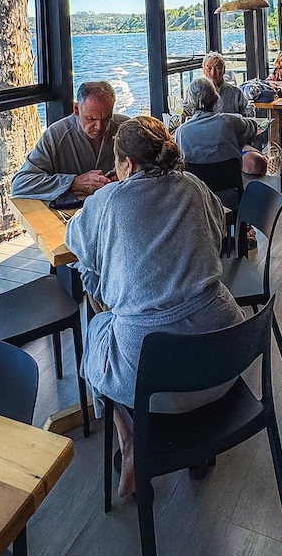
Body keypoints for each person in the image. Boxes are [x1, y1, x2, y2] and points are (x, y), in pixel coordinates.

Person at [65, 116, 244, 497]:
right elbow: (215, 236)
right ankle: (196, 445)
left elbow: (75, 239)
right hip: (226, 354)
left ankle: (129, 439)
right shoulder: (195, 187)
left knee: (97, 325)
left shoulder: (109, 201)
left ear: (126, 163)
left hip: (151, 373)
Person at [11, 80, 128, 206]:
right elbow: (20, 184)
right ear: (76, 109)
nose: (99, 126)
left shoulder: (125, 128)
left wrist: (125, 177)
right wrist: (74, 183)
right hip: (70, 217)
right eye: (91, 119)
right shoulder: (56, 135)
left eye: (106, 118)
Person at [176, 77, 265, 193]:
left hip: (198, 198)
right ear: (215, 98)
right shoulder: (228, 121)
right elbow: (253, 127)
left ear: (190, 102)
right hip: (231, 195)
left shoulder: (181, 131)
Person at [184, 52, 254, 116]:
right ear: (203, 70)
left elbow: (246, 115)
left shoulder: (236, 93)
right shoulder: (195, 91)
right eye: (209, 68)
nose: (213, 73)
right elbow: (185, 110)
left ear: (224, 70)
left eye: (217, 68)